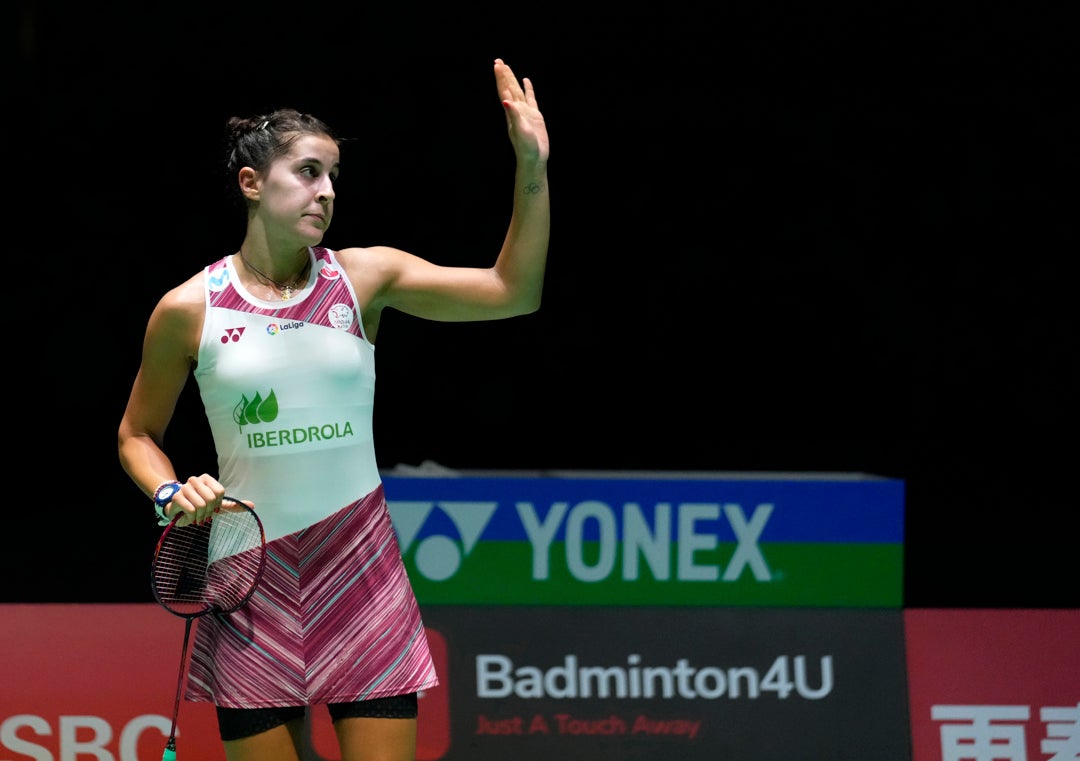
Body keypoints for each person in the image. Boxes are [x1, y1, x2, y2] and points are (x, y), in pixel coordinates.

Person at [117, 58, 549, 761]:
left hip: (361, 571)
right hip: (248, 575)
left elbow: (513, 289)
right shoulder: (187, 308)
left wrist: (532, 166)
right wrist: (170, 490)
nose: (326, 192)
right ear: (252, 185)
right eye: (309, 172)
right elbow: (136, 433)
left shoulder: (364, 278)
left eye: (333, 178)